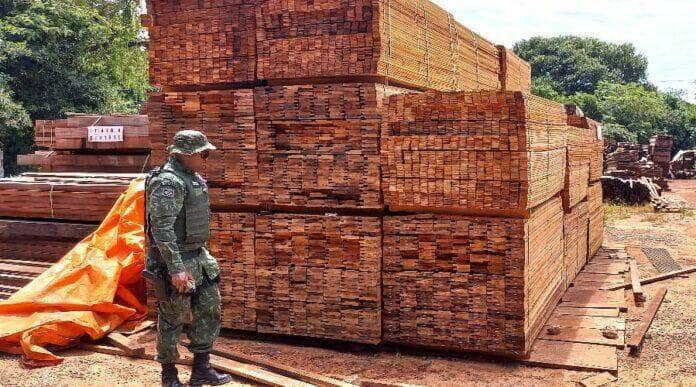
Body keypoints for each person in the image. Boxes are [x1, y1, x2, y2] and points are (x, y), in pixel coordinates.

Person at [144, 130, 233, 387]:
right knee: (173, 316)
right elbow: (161, 228)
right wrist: (175, 268)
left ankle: (201, 370)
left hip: (198, 256)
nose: (206, 158)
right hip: (176, 259)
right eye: (203, 154)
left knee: (209, 308)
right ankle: (169, 376)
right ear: (187, 154)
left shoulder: (190, 177)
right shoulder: (168, 182)